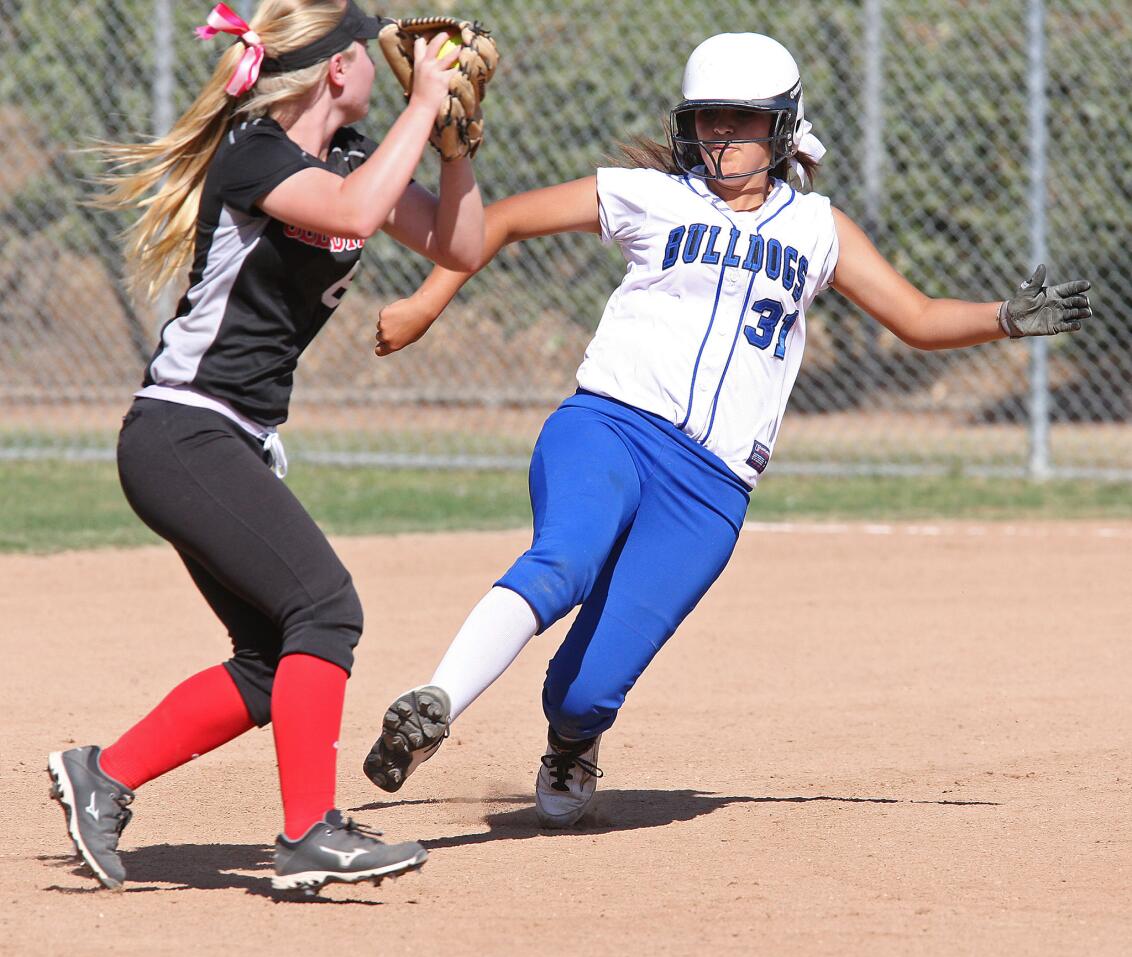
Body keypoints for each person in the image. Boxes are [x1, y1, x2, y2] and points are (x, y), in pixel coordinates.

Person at [361, 32, 1091, 828]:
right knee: (562, 561)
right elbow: (494, 223)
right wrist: (427, 303)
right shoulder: (651, 194)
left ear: (783, 128)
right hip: (609, 423)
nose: (720, 137)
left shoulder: (817, 228)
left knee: (585, 689)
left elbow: (914, 317)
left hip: (709, 486)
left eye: (741, 121)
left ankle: (572, 743)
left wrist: (1004, 320)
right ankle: (437, 700)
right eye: (708, 119)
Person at [46, 0, 484, 893]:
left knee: (269, 660)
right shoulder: (257, 155)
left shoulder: (355, 157)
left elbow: (461, 242)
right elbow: (356, 213)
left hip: (223, 440)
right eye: (367, 51)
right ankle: (309, 834)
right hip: (182, 430)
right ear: (334, 72)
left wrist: (450, 137)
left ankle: (104, 775)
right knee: (326, 609)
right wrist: (420, 102)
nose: (382, 62)